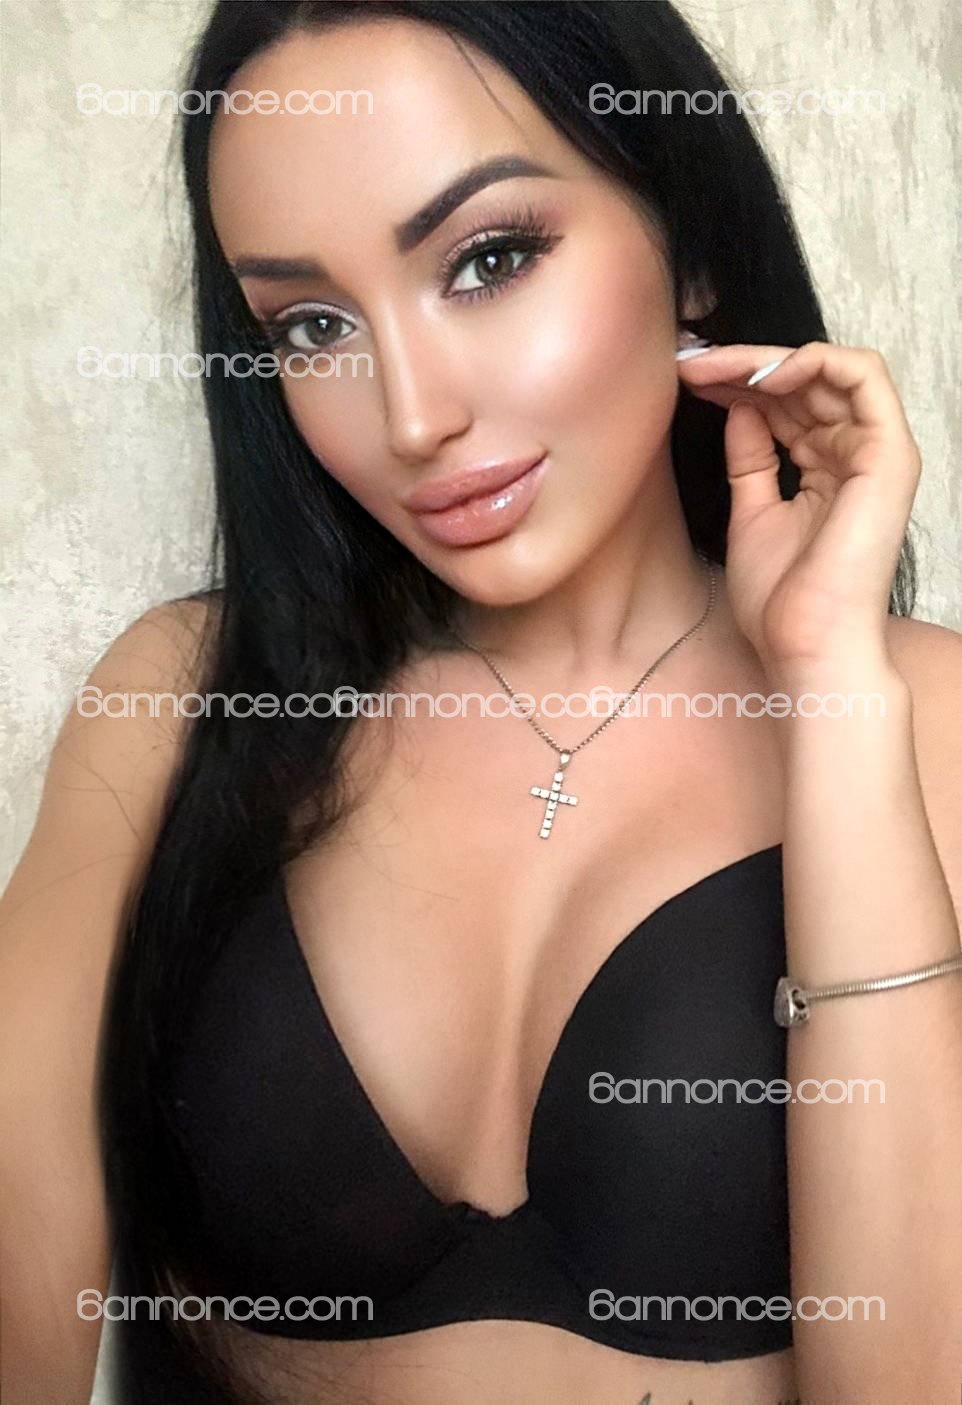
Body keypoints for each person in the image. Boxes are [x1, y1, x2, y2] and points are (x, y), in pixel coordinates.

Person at [2, 3, 961, 1403]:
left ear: (690, 245)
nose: (410, 417)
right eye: (313, 324)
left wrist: (829, 690)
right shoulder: (179, 703)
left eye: (489, 259)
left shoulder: (920, 718)